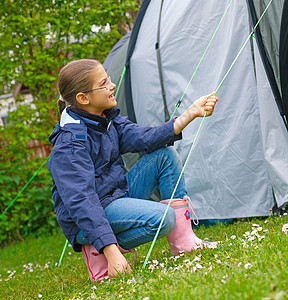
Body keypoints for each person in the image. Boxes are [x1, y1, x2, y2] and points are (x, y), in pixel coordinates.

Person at [47, 59, 219, 281]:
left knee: (164, 157)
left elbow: (144, 139)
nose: (112, 85)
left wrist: (189, 114)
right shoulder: (70, 144)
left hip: (115, 198)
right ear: (83, 98)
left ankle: (184, 243)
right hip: (88, 216)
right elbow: (82, 201)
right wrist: (111, 251)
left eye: (108, 79)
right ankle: (98, 250)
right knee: (164, 218)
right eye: (104, 83)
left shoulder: (105, 119)